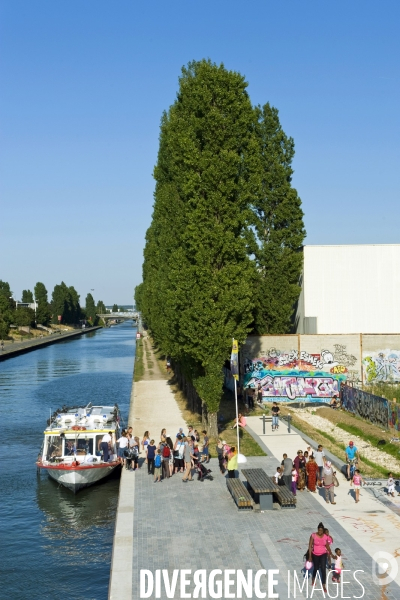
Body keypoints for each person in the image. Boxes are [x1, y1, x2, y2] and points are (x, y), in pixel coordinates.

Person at [308, 522, 332, 593]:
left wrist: (331, 554)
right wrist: (310, 556)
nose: (320, 532)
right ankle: (313, 579)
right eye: (319, 530)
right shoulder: (313, 535)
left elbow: (327, 546)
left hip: (323, 554)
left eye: (321, 530)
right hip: (315, 554)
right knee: (316, 568)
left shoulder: (325, 536)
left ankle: (324, 585)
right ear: (317, 529)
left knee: (323, 569)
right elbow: (310, 546)